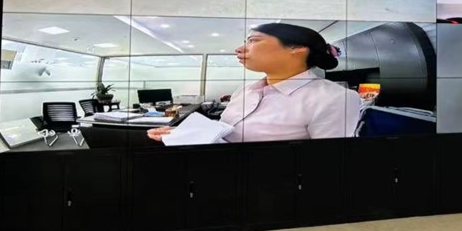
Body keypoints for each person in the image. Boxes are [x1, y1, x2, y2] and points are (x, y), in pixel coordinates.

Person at [148, 23, 361, 143]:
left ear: (297, 49)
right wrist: (185, 134)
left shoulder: (335, 99)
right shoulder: (246, 90)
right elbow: (226, 133)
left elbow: (326, 165)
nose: (240, 49)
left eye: (253, 41)